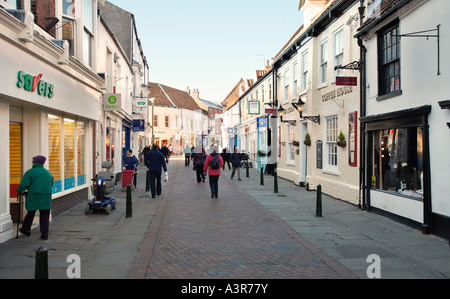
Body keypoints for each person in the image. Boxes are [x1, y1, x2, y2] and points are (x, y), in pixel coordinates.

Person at [17, 155, 54, 240]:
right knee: (45, 215)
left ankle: (26, 229)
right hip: (45, 196)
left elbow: (24, 184)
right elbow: (51, 183)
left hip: (34, 196)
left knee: (30, 212)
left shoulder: (30, 172)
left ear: (34, 162)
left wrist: (19, 190)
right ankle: (44, 234)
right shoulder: (47, 172)